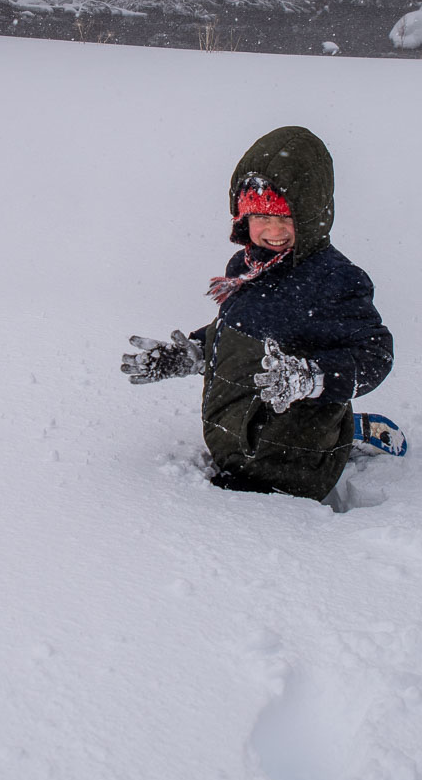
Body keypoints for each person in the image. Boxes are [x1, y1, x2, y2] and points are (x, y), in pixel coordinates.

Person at [121, 125, 405, 502]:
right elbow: (240, 336)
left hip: (288, 466)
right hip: (239, 435)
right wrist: (194, 354)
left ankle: (331, 446)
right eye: (261, 217)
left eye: (286, 219)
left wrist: (312, 379)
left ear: (311, 216)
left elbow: (375, 355)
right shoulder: (246, 266)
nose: (273, 230)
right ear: (242, 218)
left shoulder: (334, 281)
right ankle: (342, 433)